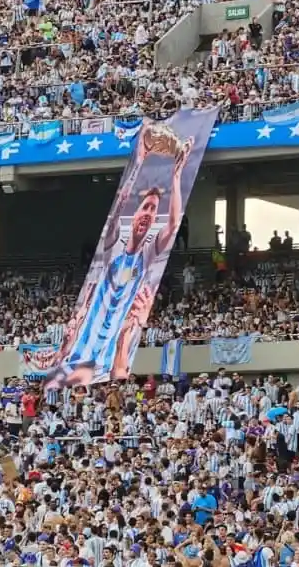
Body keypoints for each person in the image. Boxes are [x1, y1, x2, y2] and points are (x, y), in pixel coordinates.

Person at [47, 128, 193, 387]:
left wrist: (177, 174)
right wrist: (138, 163)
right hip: (80, 354)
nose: (148, 213)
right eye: (145, 207)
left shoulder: (147, 257)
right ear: (135, 215)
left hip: (106, 358)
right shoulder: (112, 248)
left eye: (153, 210)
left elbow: (172, 224)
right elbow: (118, 208)